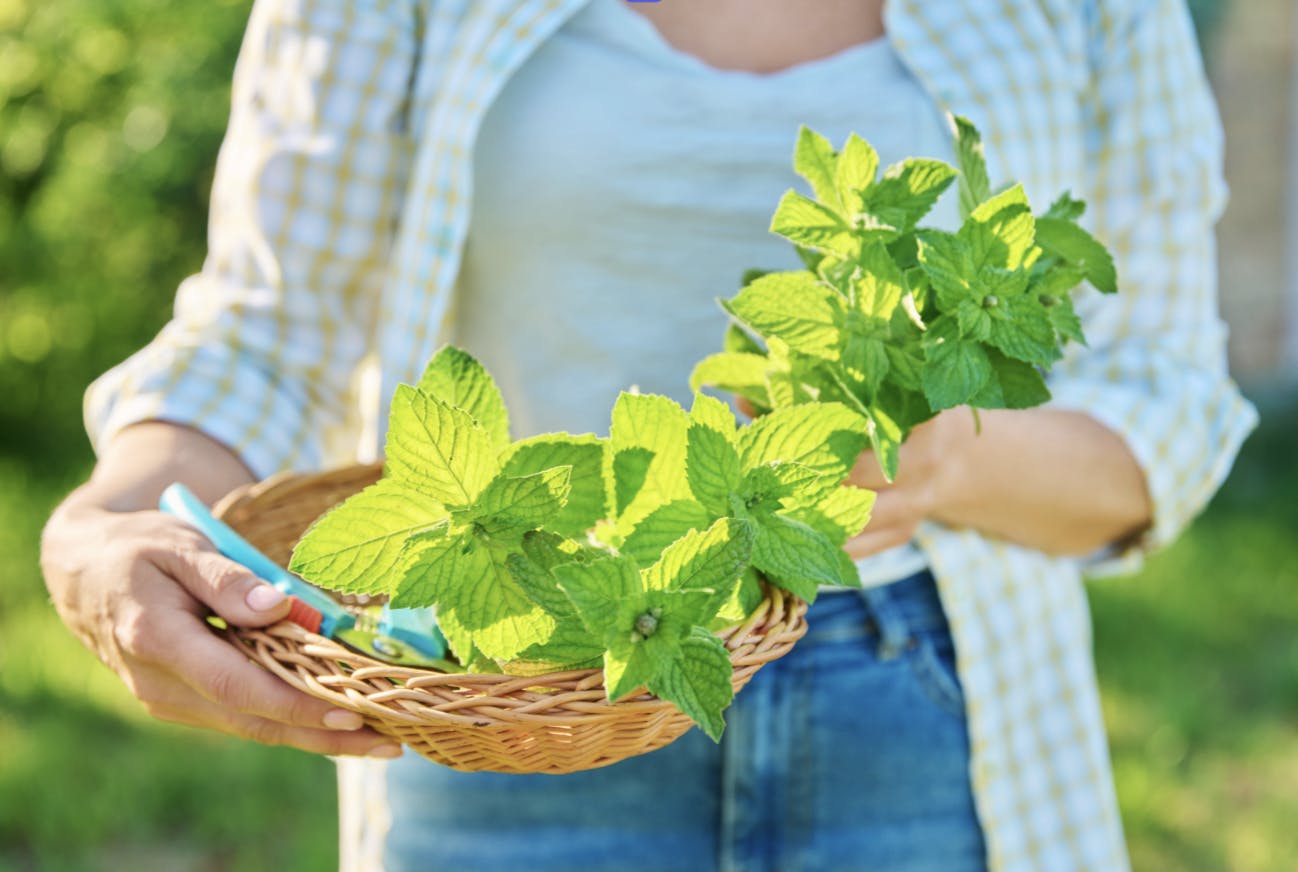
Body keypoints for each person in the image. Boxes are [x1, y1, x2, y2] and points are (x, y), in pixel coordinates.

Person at [40, 0, 1256, 869]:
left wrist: (946, 458)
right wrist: (111, 526)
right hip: (513, 694)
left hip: (929, 708)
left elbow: (1162, 401)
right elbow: (268, 331)